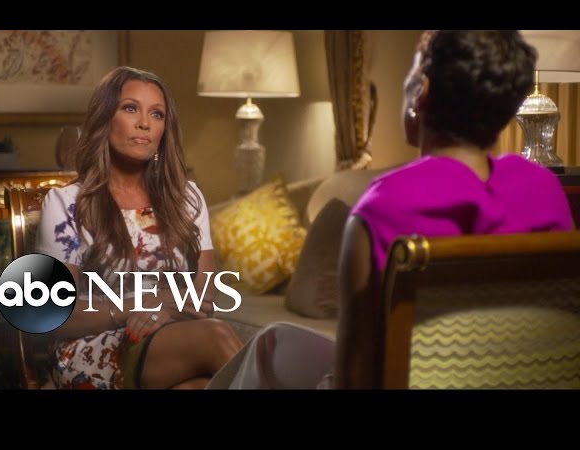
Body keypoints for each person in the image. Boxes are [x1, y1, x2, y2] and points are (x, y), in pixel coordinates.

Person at [207, 30, 574, 390]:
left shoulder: (383, 206)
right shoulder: (544, 190)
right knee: (272, 341)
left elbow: (355, 377)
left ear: (421, 92)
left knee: (269, 353)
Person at [35, 66, 243, 389]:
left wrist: (166, 312)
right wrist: (143, 305)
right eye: (131, 108)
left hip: (171, 335)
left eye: (156, 114)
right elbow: (54, 315)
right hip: (93, 349)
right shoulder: (67, 203)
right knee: (217, 335)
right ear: (105, 118)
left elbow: (205, 296)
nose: (145, 123)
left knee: (201, 386)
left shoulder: (187, 198)